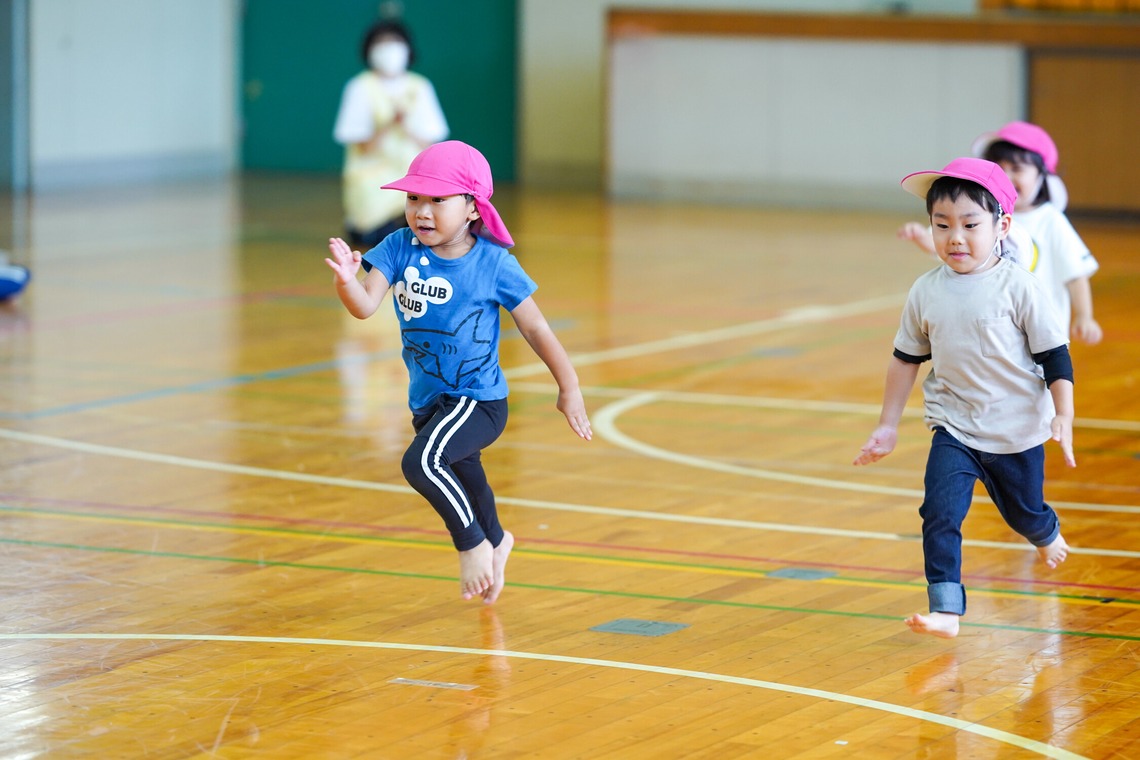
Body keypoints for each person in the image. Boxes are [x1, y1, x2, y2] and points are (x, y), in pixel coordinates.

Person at [325, 140, 592, 604]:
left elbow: (536, 326)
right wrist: (348, 283)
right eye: (413, 199)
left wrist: (569, 387)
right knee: (465, 474)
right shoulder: (397, 247)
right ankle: (496, 538)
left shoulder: (492, 263)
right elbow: (366, 307)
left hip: (478, 400)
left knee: (422, 462)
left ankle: (472, 544)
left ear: (472, 208)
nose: (421, 212)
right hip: (428, 401)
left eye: (437, 200)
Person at [855, 157, 1074, 639]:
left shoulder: (1020, 288)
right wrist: (887, 425)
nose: (955, 237)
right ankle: (946, 609)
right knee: (939, 510)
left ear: (1002, 226)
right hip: (953, 425)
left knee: (1023, 512)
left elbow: (1056, 357)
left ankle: (1044, 530)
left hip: (1015, 429)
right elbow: (905, 360)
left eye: (971, 224)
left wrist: (1064, 415)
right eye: (942, 225)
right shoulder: (925, 291)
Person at [974, 121, 1102, 345]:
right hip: (997, 333)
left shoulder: (1050, 221)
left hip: (1043, 338)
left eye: (1017, 169)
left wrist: (1084, 316)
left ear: (1042, 177)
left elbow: (1076, 274)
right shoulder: (986, 217)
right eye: (999, 168)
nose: (1006, 177)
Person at [333, 19, 448, 250]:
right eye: (381, 43)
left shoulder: (420, 87)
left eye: (395, 42)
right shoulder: (359, 87)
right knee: (374, 236)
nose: (389, 49)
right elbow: (363, 146)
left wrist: (406, 127)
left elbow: (432, 143)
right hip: (373, 182)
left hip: (414, 179)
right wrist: (388, 124)